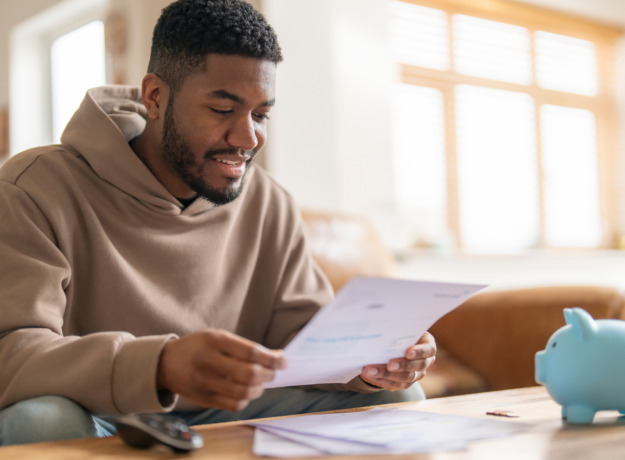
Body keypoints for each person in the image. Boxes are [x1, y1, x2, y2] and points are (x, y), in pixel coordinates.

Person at [0, 0, 436, 446]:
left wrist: (372, 362)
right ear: (155, 97)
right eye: (223, 109)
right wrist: (160, 365)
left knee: (399, 399)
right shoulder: (34, 187)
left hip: (223, 412)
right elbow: (11, 351)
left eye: (261, 114)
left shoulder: (269, 202)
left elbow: (302, 344)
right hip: (101, 417)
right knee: (41, 421)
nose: (248, 138)